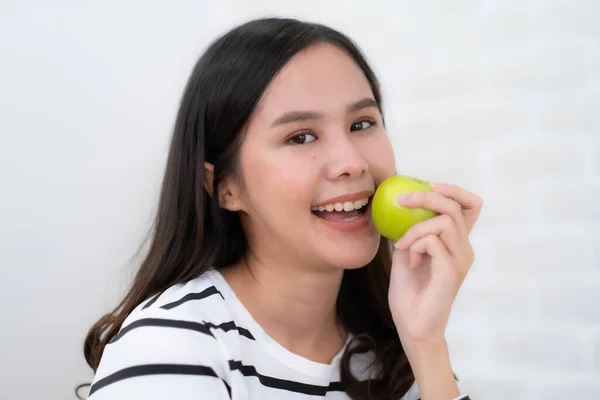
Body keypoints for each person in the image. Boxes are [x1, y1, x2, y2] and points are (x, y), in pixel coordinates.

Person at [79, 17, 483, 400]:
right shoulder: (172, 345)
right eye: (301, 136)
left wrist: (427, 345)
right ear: (224, 186)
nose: (352, 162)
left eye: (362, 124)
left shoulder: (394, 357)